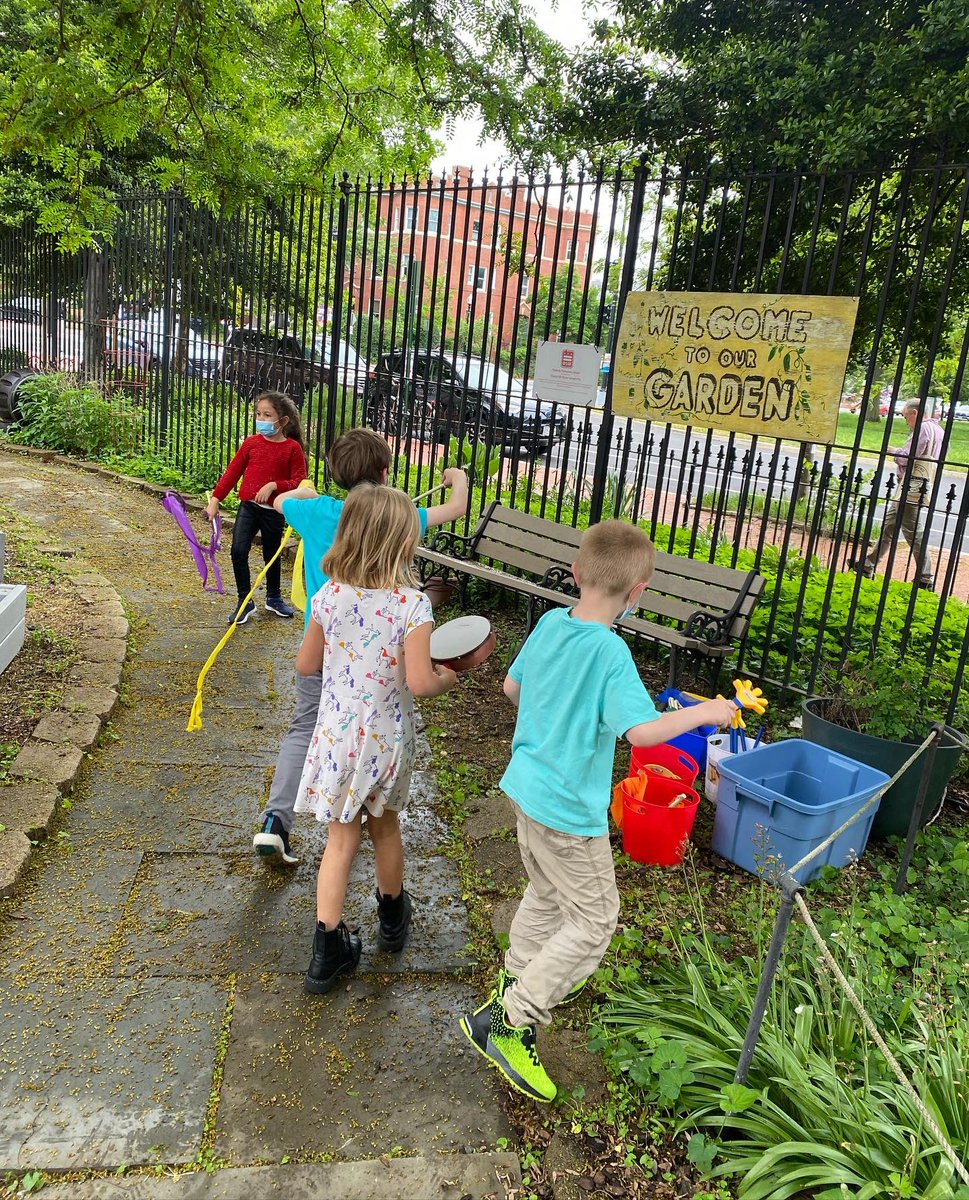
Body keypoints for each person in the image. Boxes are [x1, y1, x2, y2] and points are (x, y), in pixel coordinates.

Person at [459, 520, 736, 1103]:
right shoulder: (611, 653)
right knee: (595, 920)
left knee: (546, 893)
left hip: (525, 790)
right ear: (638, 593)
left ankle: (515, 978)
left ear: (579, 574)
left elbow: (513, 690)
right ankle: (512, 1020)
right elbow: (641, 733)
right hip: (565, 810)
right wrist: (708, 710)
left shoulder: (548, 624)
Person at [252, 427, 469, 865]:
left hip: (330, 650)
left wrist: (292, 490)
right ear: (385, 472)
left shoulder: (316, 513)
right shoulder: (399, 517)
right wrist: (457, 477)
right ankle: (373, 807)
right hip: (385, 664)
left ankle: (276, 821)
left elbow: (277, 502)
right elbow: (457, 508)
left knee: (305, 727)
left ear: (335, 473)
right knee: (378, 733)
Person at [294, 484, 459, 993]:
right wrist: (449, 675)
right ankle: (392, 919)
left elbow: (306, 665)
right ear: (403, 543)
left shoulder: (329, 595)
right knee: (386, 829)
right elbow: (420, 683)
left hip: (337, 738)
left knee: (340, 840)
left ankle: (327, 949)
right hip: (385, 741)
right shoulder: (413, 607)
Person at [205, 391, 307, 624]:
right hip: (248, 508)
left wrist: (274, 485)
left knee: (272, 555)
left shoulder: (292, 449)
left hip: (274, 513)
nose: (261, 418)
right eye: (258, 414)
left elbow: (300, 482)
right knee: (238, 551)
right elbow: (232, 473)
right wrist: (215, 499)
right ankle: (244, 600)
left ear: (283, 421)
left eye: (267, 415)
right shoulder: (251, 444)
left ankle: (273, 597)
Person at [858, 400, 943, 590]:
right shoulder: (939, 430)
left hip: (910, 488)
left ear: (915, 413)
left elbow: (907, 456)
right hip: (916, 485)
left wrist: (892, 451)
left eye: (906, 416)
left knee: (914, 533)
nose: (906, 421)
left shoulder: (923, 429)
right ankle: (867, 565)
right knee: (889, 525)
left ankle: (925, 577)